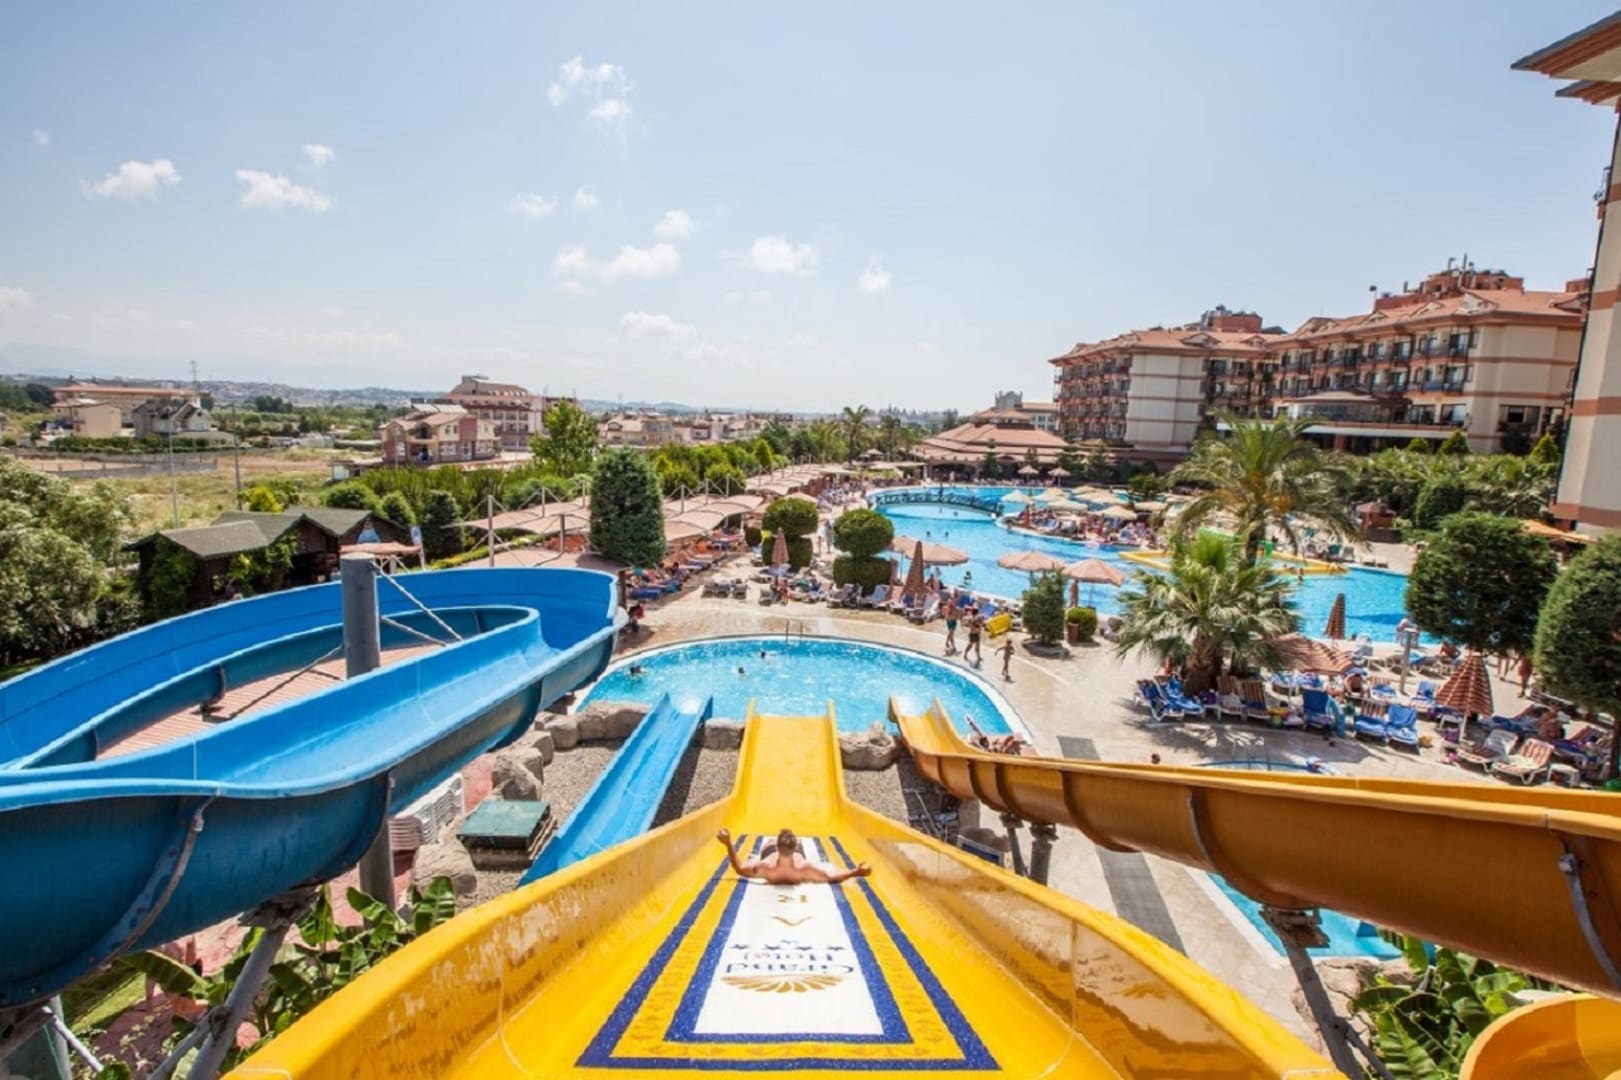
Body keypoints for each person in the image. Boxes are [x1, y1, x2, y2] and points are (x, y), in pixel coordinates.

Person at [716, 828, 871, 884]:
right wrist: (856, 872)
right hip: (776, 852)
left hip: (772, 852)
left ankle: (780, 839)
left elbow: (739, 868)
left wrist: (728, 844)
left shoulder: (766, 867)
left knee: (771, 845)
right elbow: (831, 877)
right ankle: (781, 839)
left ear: (778, 848)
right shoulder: (803, 868)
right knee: (772, 844)